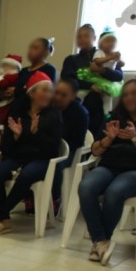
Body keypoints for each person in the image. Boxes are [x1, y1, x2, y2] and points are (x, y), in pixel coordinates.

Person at [80, 78, 136, 265]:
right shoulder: (114, 117)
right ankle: (101, 241)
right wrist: (108, 140)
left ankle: (99, 242)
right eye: (126, 94)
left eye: (135, 93)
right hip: (109, 166)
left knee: (115, 192)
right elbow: (96, 150)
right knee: (86, 186)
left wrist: (135, 137)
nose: (129, 97)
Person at [0, 72, 64, 236]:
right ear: (32, 92)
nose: (48, 95)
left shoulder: (54, 115)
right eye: (44, 90)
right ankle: (5, 220)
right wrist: (15, 136)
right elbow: (7, 148)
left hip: (42, 159)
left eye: (50, 91)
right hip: (19, 156)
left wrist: (36, 133)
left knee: (25, 176)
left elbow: (53, 148)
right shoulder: (17, 112)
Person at [62, 24, 123, 136]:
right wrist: (90, 86)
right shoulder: (71, 59)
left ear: (94, 38)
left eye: (86, 36)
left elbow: (119, 76)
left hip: (100, 102)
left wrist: (102, 71)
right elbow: (67, 79)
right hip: (78, 102)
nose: (82, 39)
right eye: (79, 37)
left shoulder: (106, 56)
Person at [51, 78, 91, 206]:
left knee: (54, 164)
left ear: (73, 96)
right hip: (48, 147)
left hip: (69, 151)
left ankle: (54, 199)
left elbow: (77, 142)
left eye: (63, 95)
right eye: (56, 92)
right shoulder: (49, 106)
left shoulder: (80, 113)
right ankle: (31, 195)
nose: (57, 97)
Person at [78, 28, 124, 115]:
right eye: (80, 37)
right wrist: (110, 58)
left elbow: (119, 74)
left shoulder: (114, 54)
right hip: (95, 78)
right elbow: (97, 61)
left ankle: (107, 115)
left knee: (108, 97)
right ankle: (77, 105)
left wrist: (119, 60)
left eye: (112, 42)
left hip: (107, 82)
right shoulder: (99, 53)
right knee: (82, 92)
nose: (110, 44)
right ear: (101, 44)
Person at [13, 38, 58, 106]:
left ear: (46, 52)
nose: (31, 51)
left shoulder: (49, 69)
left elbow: (45, 94)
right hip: (17, 108)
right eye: (30, 48)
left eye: (35, 48)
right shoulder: (23, 70)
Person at [0, 54, 23, 123]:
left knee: (2, 114)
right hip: (0, 100)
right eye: (3, 66)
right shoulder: (4, 75)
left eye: (6, 66)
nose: (4, 68)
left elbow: (2, 84)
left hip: (8, 102)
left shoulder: (13, 76)